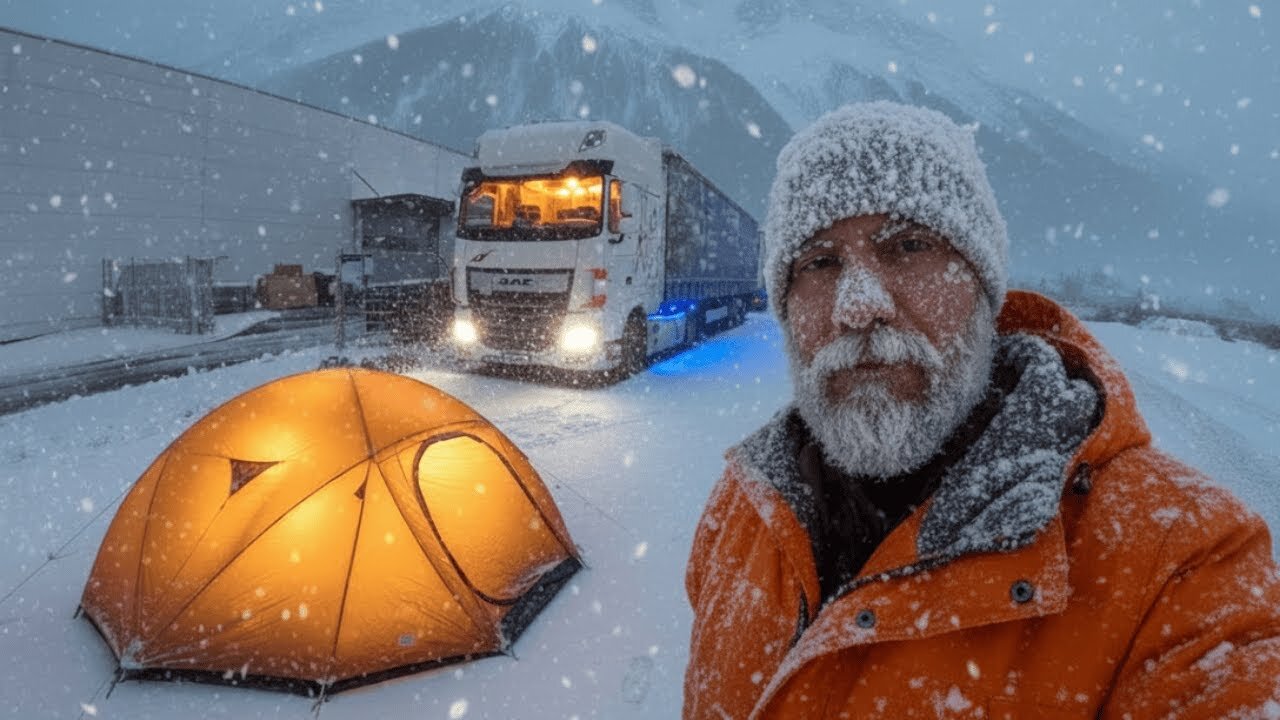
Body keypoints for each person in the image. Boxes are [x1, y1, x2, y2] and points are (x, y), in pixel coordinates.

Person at [683, 101, 1280, 719]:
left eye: (909, 245)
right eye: (819, 263)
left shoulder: (1179, 556)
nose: (858, 306)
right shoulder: (741, 508)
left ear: (984, 291)